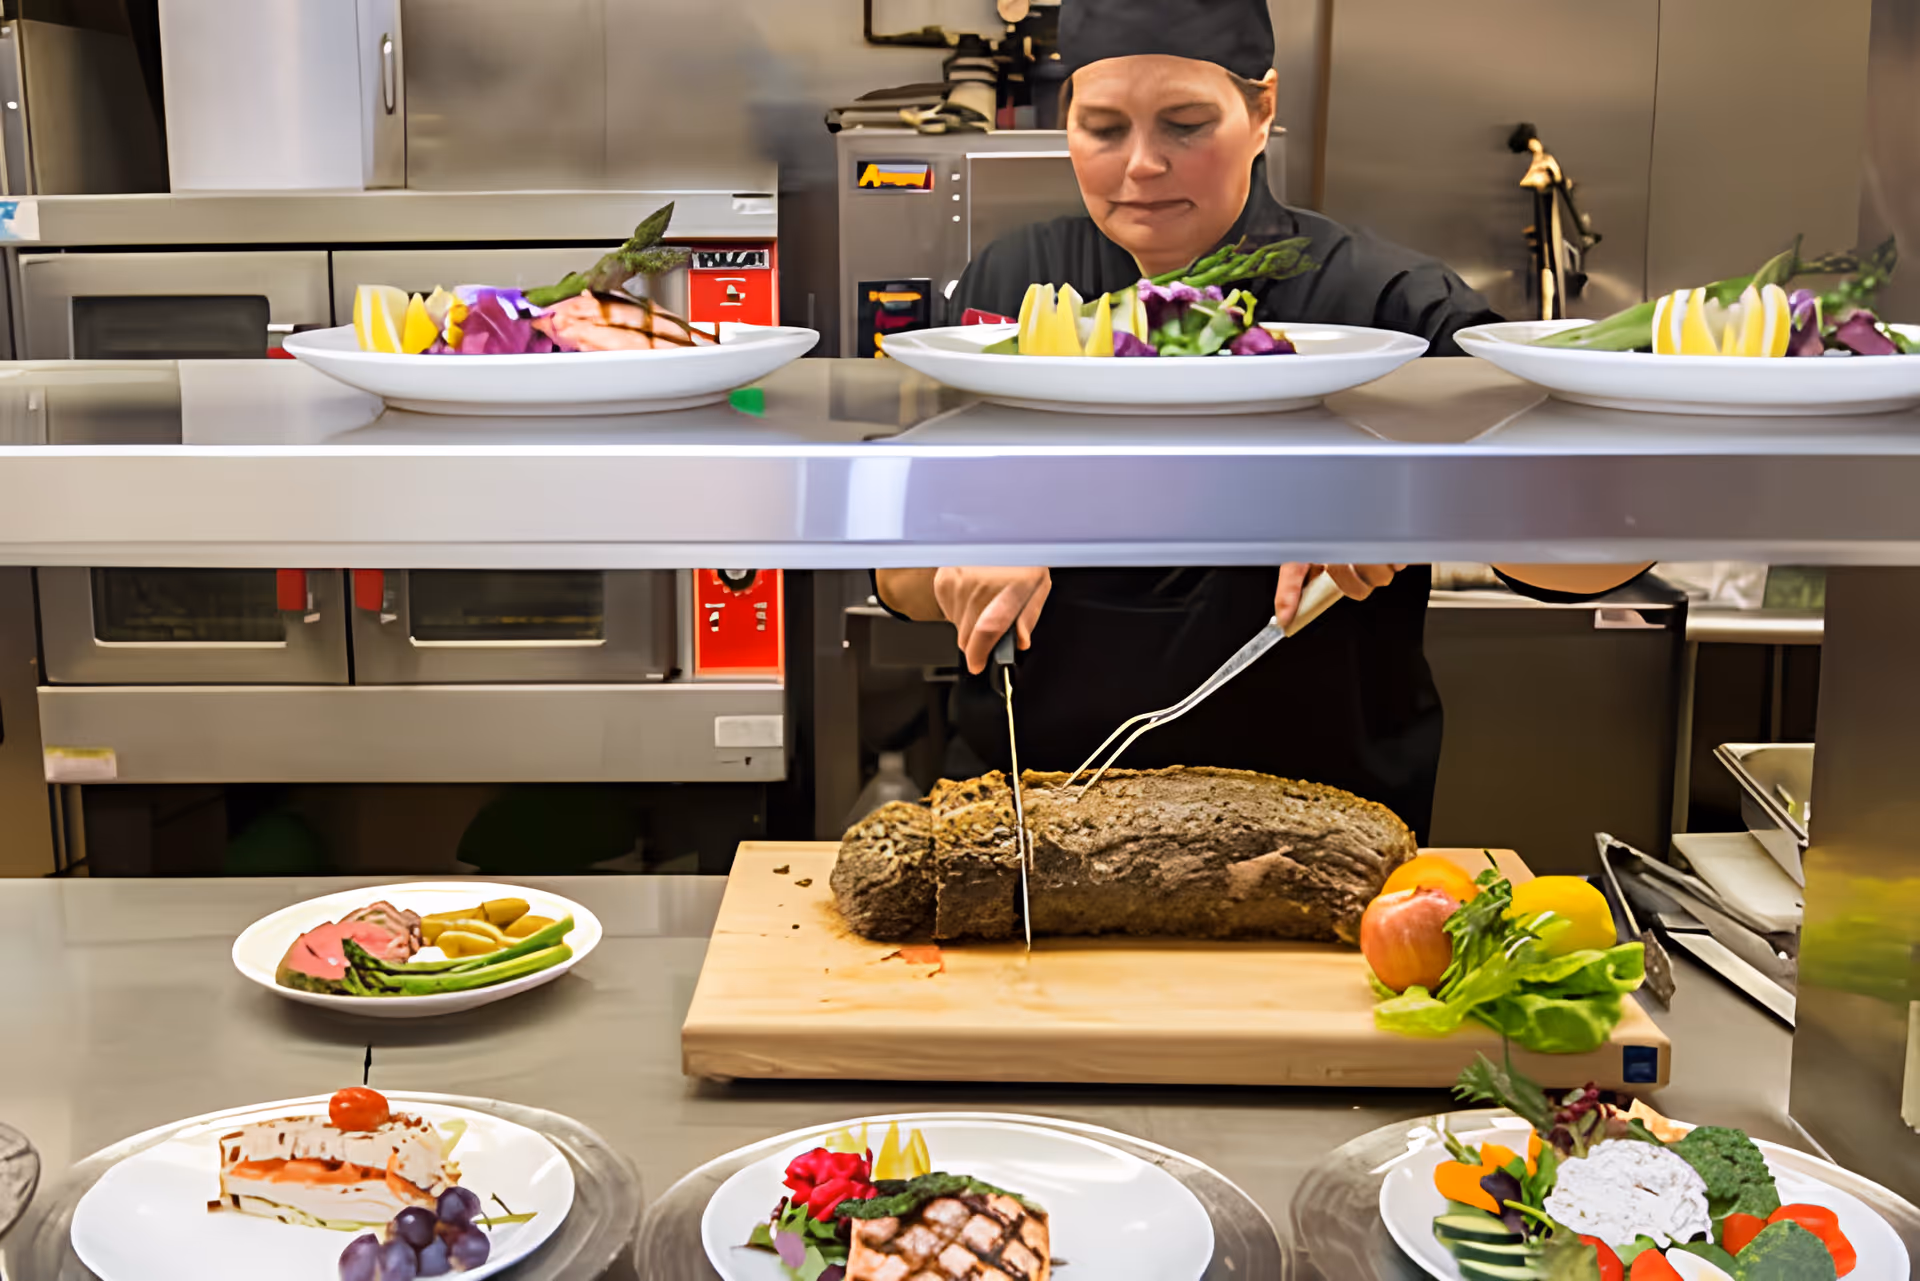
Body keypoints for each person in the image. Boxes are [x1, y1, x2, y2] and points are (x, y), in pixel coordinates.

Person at [875, 0, 1647, 840]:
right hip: (1028, 830)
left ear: (1262, 110)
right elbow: (895, 580)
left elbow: (1602, 556)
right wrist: (963, 554)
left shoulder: (1386, 306)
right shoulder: (1018, 283)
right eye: (1102, 127)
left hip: (1315, 843)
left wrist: (1403, 501)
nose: (1141, 165)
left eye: (1185, 124)